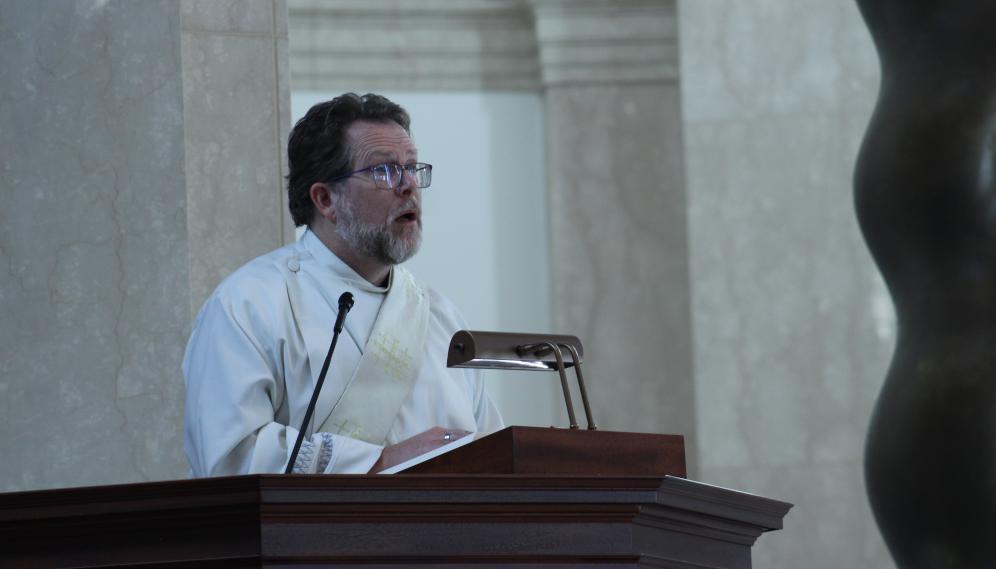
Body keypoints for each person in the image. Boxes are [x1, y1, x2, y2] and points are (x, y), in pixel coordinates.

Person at [182, 93, 503, 477]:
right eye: (384, 171)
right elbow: (231, 457)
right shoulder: (250, 303)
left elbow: (493, 456)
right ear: (325, 199)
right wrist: (382, 462)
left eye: (412, 168)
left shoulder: (442, 317)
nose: (409, 186)